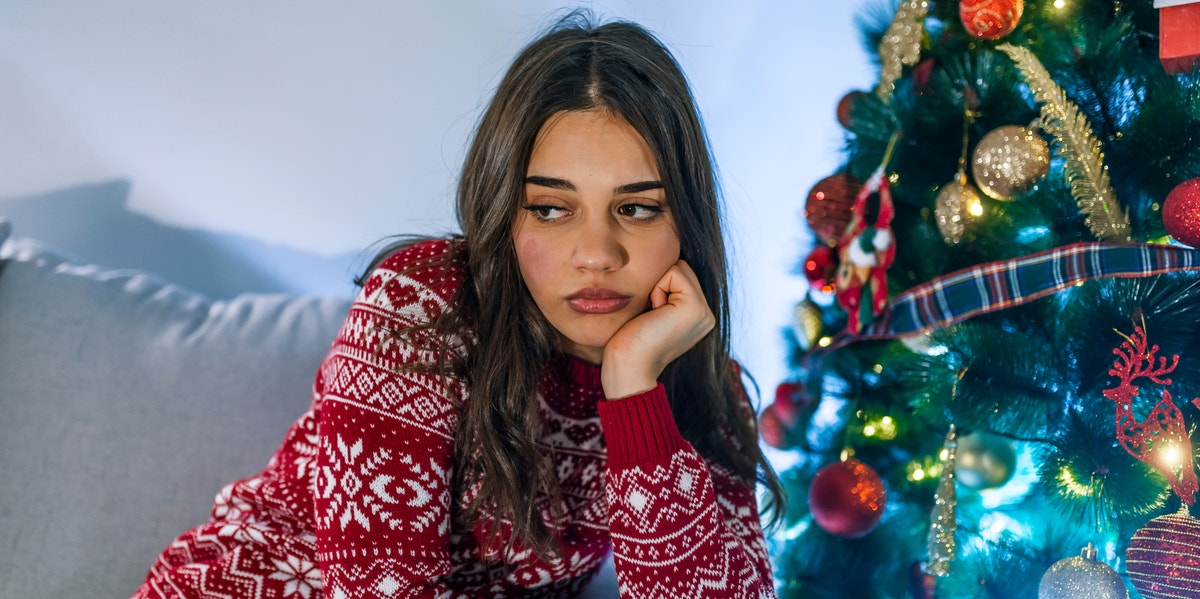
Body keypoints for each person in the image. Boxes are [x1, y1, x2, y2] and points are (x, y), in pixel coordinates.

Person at [134, 13, 784, 599]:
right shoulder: (420, 309)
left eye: (636, 208)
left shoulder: (702, 389)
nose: (596, 253)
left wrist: (636, 397)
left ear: (685, 224)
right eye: (552, 209)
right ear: (505, 217)